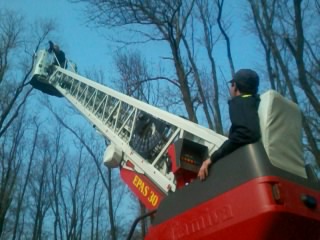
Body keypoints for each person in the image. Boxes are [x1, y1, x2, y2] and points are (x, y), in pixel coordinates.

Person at [198, 69, 261, 181]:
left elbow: (245, 133)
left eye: (231, 85)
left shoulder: (240, 103)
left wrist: (211, 159)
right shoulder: (256, 103)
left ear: (235, 86)